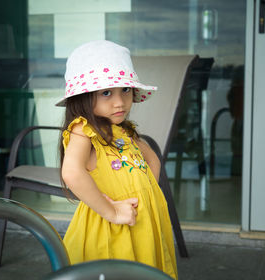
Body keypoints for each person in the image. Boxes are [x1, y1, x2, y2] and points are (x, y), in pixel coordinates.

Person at [57, 40, 178, 279]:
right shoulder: (84, 130)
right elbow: (72, 172)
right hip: (109, 225)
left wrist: (145, 194)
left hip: (140, 221)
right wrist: (111, 211)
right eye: (105, 93)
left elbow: (152, 160)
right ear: (83, 97)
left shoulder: (124, 130)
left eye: (125, 89)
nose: (119, 101)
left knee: (144, 268)